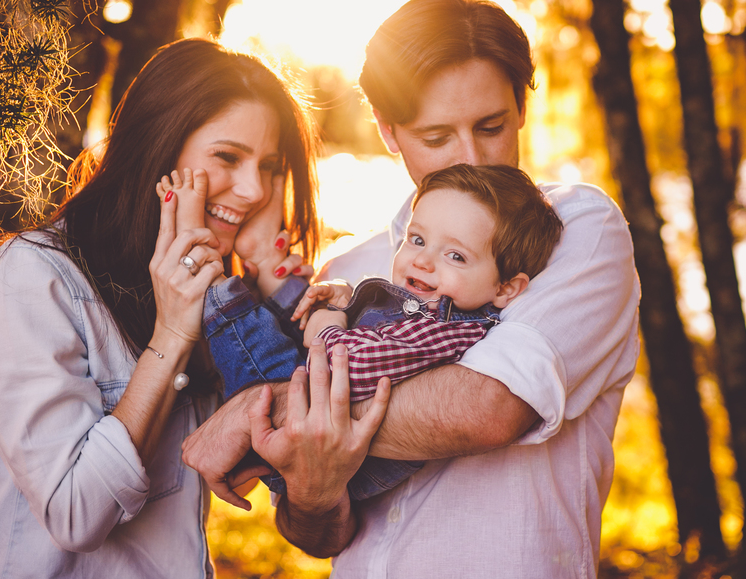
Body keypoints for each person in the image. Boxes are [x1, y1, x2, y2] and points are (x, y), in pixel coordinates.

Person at [182, 0, 641, 579]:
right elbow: (317, 536)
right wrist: (315, 489)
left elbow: (488, 408)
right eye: (437, 137)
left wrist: (261, 411)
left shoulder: (576, 230)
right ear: (389, 130)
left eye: (491, 126)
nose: (473, 158)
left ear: (522, 108)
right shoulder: (352, 269)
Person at [0, 39, 388, 579]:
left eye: (268, 167)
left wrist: (272, 268)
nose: (252, 189)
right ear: (158, 150)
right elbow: (76, 513)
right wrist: (173, 335)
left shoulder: (223, 298)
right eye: (227, 158)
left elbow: (307, 452)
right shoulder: (32, 280)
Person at [200, 163, 563, 500]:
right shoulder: (427, 304)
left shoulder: (454, 331)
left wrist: (331, 325)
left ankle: (206, 278)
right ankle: (266, 260)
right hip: (312, 406)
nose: (422, 260)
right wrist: (340, 299)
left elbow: (346, 366)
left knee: (250, 337)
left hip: (309, 451)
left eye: (456, 256)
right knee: (304, 308)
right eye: (417, 240)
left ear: (505, 289)